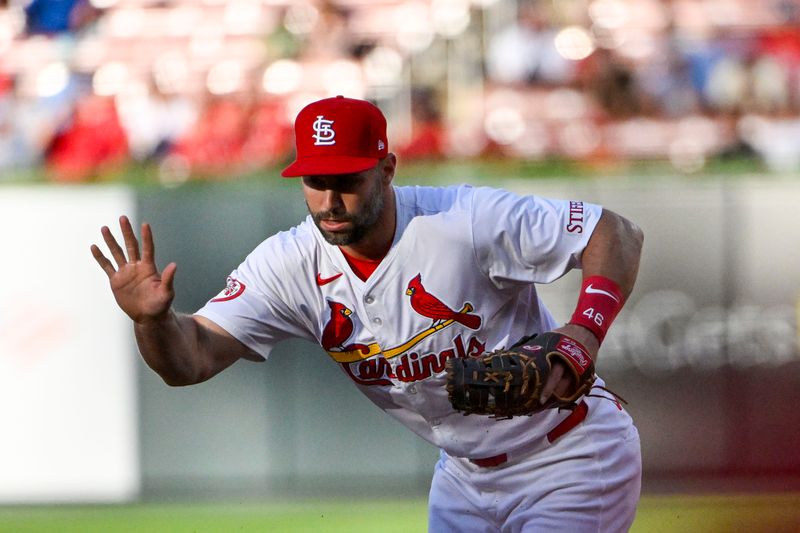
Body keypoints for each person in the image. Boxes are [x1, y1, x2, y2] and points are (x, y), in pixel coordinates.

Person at [91, 95, 644, 532]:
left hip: (567, 453)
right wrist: (154, 322)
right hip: (464, 477)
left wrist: (583, 334)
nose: (330, 200)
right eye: (315, 181)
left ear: (387, 168)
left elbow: (613, 232)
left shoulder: (463, 219)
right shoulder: (289, 265)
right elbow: (189, 361)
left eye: (347, 181)